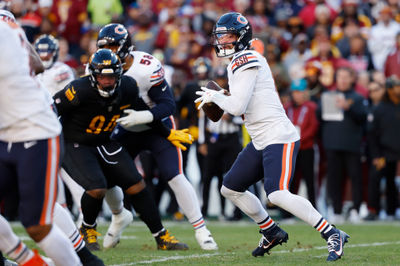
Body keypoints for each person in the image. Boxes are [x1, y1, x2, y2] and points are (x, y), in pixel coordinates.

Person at [194, 12, 349, 261]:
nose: (222, 42)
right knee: (230, 188)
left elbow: (236, 107)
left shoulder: (246, 58)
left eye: (228, 36)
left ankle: (331, 232)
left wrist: (216, 97)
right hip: (260, 139)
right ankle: (271, 231)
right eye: (220, 37)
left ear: (242, 37)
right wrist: (221, 95)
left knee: (276, 193)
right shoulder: (237, 60)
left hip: (279, 135)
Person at [53, 48, 190, 252]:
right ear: (92, 74)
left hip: (104, 140)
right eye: (102, 76)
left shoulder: (127, 86)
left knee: (136, 185)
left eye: (111, 76)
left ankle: (161, 236)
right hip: (74, 142)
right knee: (97, 187)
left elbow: (143, 111)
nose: (107, 81)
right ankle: (87, 229)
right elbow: (52, 110)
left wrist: (166, 133)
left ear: (119, 74)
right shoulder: (78, 90)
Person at [96, 23, 218, 250]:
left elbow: (168, 106)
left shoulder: (144, 67)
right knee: (106, 177)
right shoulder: (99, 67)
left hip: (158, 128)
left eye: (113, 46)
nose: (109, 52)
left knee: (174, 175)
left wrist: (145, 116)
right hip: (125, 129)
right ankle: (118, 216)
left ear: (124, 48)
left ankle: (201, 229)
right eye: (105, 47)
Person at [0, 18, 81, 266]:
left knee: (37, 225)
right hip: (5, 132)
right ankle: (31, 262)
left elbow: (36, 64)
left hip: (33, 130)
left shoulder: (4, 31)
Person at [365, 76, 400, 220]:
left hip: (396, 151)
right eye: (396, 86)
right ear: (390, 89)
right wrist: (376, 155)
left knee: (392, 183)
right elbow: (372, 134)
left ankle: (392, 211)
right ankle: (373, 210)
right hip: (384, 153)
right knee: (376, 179)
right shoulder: (380, 108)